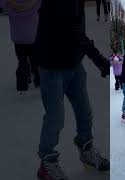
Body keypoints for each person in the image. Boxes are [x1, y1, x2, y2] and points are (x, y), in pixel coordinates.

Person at [33, 0, 110, 179]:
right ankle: (47, 162)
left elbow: (77, 29)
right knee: (55, 117)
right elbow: (72, 31)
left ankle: (86, 148)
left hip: (74, 64)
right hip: (52, 66)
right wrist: (98, 59)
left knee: (84, 111)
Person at [2, 0, 41, 93]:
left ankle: (22, 85)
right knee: (36, 61)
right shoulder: (35, 3)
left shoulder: (9, 6)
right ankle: (39, 81)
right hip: (33, 37)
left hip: (18, 38)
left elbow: (2, 4)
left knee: (22, 61)